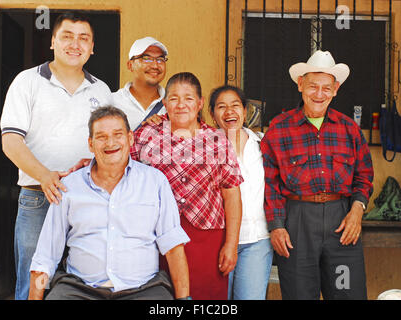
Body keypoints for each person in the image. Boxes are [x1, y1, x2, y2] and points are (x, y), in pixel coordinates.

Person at [0, 12, 113, 300]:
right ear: (53, 41)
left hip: (86, 200)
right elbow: (10, 141)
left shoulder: (101, 90)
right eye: (67, 36)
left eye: (83, 38)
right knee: (33, 283)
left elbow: (109, 143)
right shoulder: (28, 82)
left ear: (92, 47)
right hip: (39, 197)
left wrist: (94, 163)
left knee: (83, 284)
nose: (75, 44)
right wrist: (44, 175)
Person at [28, 106, 190, 300]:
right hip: (79, 289)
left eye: (117, 134)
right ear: (90, 144)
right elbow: (46, 256)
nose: (110, 143)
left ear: (130, 139)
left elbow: (173, 247)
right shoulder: (68, 187)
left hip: (144, 289)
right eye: (101, 137)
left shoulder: (155, 182)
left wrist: (184, 300)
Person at [261, 50, 374, 300]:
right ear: (301, 84)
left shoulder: (349, 129)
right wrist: (276, 226)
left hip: (342, 222)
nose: (319, 94)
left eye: (326, 88)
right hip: (297, 222)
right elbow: (270, 184)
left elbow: (364, 175)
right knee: (300, 295)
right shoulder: (279, 129)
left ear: (335, 90)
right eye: (313, 86)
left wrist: (357, 211)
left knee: (348, 294)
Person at [131, 72, 243, 300]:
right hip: (155, 236)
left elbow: (231, 194)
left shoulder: (218, 140)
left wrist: (231, 244)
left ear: (200, 103)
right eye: (173, 98)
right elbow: (119, 170)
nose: (181, 105)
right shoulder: (146, 135)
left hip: (207, 239)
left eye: (189, 98)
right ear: (164, 103)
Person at [209, 85, 273, 300]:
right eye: (221, 107)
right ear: (212, 114)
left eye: (235, 105)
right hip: (218, 240)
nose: (229, 112)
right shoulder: (205, 148)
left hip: (257, 240)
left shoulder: (263, 144)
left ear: (245, 112)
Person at [112, 36, 168, 131]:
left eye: (160, 59)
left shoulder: (173, 104)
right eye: (147, 58)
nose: (155, 65)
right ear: (130, 65)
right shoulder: (112, 102)